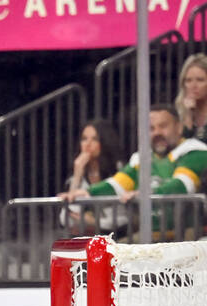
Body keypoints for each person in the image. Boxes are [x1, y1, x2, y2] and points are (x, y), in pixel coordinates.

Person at [61, 105, 207, 234]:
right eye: (151, 128)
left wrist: (147, 193)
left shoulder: (196, 151)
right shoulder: (142, 157)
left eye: (163, 126)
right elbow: (119, 183)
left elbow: (181, 185)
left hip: (190, 235)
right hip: (155, 235)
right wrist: (88, 192)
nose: (157, 132)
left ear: (179, 127)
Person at [57, 119, 124, 234]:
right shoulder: (77, 176)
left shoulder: (117, 172)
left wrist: (94, 222)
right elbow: (65, 220)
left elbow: (123, 219)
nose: (88, 144)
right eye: (84, 139)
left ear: (104, 142)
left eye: (94, 139)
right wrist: (77, 175)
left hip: (115, 237)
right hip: (84, 237)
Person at [176, 53, 207, 143]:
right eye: (188, 80)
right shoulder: (179, 111)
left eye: (200, 80)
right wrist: (188, 115)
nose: (193, 86)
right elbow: (182, 147)